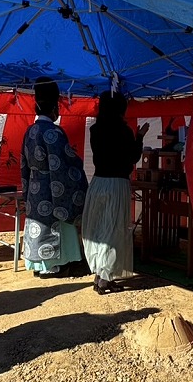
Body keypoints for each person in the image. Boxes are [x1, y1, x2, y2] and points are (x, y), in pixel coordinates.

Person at [81, 91, 149, 294]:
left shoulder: (95, 130)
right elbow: (133, 157)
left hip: (98, 183)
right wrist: (140, 137)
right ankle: (104, 278)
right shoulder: (124, 131)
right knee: (112, 231)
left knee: (98, 230)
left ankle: (99, 275)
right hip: (117, 184)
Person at [21, 78, 88, 278]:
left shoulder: (29, 131)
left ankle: (39, 264)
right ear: (53, 108)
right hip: (53, 188)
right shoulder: (54, 132)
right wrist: (76, 162)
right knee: (53, 227)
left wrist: (27, 189)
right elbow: (63, 163)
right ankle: (55, 265)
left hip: (35, 187)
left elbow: (24, 164)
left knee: (38, 228)